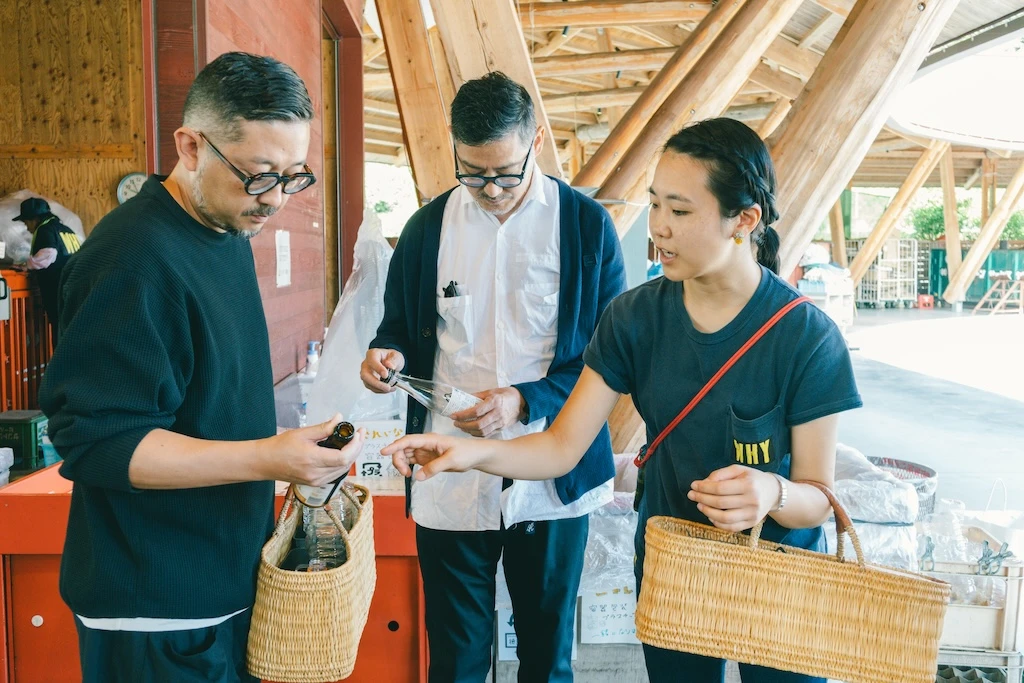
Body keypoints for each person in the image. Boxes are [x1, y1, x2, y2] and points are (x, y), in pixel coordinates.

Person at [383, 117, 863, 683]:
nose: (659, 228)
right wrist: (466, 453)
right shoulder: (635, 318)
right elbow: (561, 447)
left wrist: (771, 490)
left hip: (781, 574)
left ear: (745, 220)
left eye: (680, 212)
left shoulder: (805, 336)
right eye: (656, 205)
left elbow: (818, 497)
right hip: (674, 567)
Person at [38, 52, 364, 683]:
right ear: (190, 146)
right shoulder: (133, 260)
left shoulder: (223, 231)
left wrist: (286, 460)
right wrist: (271, 457)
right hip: (156, 606)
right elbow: (101, 445)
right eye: (260, 174)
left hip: (218, 579)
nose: (275, 201)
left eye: (294, 176)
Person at [360, 72, 626, 683]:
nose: (490, 188)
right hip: (449, 473)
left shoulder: (586, 227)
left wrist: (522, 400)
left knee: (546, 654)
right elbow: (396, 327)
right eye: (472, 172)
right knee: (454, 657)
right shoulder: (428, 229)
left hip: (553, 476)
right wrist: (386, 357)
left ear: (535, 140)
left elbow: (609, 358)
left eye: (505, 172)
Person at [13, 197, 82, 343]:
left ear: (34, 219)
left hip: (58, 291)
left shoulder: (45, 229)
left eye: (26, 222)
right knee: (73, 333)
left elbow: (48, 254)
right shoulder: (66, 230)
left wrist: (27, 265)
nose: (27, 227)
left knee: (61, 334)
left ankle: (62, 365)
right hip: (76, 291)